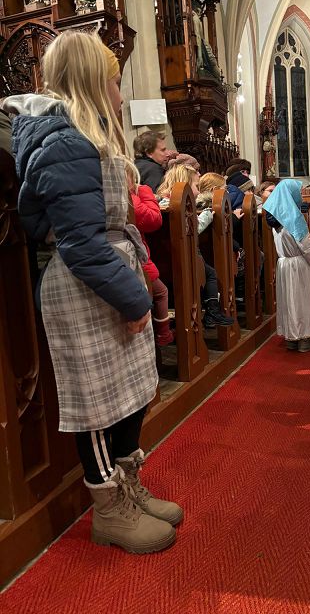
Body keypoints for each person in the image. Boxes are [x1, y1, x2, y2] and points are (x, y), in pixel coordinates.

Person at [5, 31, 182, 553]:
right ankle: (109, 510)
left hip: (110, 275)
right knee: (99, 404)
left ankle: (128, 487)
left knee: (129, 394)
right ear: (89, 80)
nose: (120, 95)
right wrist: (134, 298)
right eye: (113, 81)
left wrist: (140, 279)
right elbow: (80, 244)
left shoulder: (85, 135)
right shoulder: (64, 142)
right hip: (85, 286)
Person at [157, 165, 234, 329]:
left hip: (166, 259)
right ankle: (212, 312)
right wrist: (207, 215)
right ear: (184, 185)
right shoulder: (177, 207)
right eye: (196, 186)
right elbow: (191, 229)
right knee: (210, 274)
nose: (199, 192)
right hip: (183, 257)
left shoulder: (163, 204)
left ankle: (211, 312)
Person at [264, 180, 310, 352]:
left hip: (284, 263)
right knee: (303, 301)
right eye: (298, 192)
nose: (300, 196)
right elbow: (307, 248)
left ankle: (291, 338)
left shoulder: (275, 216)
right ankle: (305, 339)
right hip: (299, 265)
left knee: (289, 302)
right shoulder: (293, 218)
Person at [128, 174, 174, 348]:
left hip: (135, 256)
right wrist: (144, 192)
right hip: (136, 258)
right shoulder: (129, 195)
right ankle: (163, 333)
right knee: (160, 292)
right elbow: (152, 220)